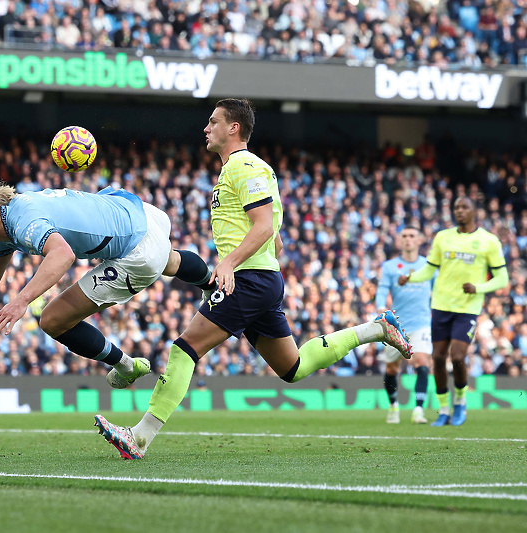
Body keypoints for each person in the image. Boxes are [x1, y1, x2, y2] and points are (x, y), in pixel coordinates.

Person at [93, 98, 412, 459]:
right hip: (259, 279)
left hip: (249, 279)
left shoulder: (243, 165)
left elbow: (263, 227)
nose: (205, 128)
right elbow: (273, 233)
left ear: (234, 128)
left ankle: (139, 437)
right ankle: (376, 329)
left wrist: (229, 262)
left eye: (213, 122)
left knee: (184, 349)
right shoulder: (239, 169)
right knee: (292, 368)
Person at [0, 182, 216, 388]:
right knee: (170, 261)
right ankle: (211, 283)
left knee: (53, 320)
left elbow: (63, 254)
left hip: (137, 250)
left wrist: (21, 300)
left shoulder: (24, 222)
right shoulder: (10, 212)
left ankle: (125, 365)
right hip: (141, 213)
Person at [399, 196, 508, 426]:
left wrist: (478, 287)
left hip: (467, 308)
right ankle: (444, 409)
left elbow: (502, 278)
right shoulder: (443, 237)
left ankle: (460, 401)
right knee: (437, 359)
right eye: (456, 207)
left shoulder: (488, 241)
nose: (459, 211)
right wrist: (410, 277)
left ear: (474, 211)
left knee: (457, 357)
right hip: (440, 305)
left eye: (464, 207)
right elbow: (429, 270)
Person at [375, 225, 433, 424]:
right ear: (400, 240)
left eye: (412, 236)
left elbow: (438, 290)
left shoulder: (428, 265)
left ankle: (418, 410)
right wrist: (381, 307)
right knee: (391, 369)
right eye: (404, 236)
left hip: (422, 323)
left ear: (419, 240)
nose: (408, 239)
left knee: (422, 364)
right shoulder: (390, 266)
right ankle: (393, 405)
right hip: (397, 325)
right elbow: (382, 289)